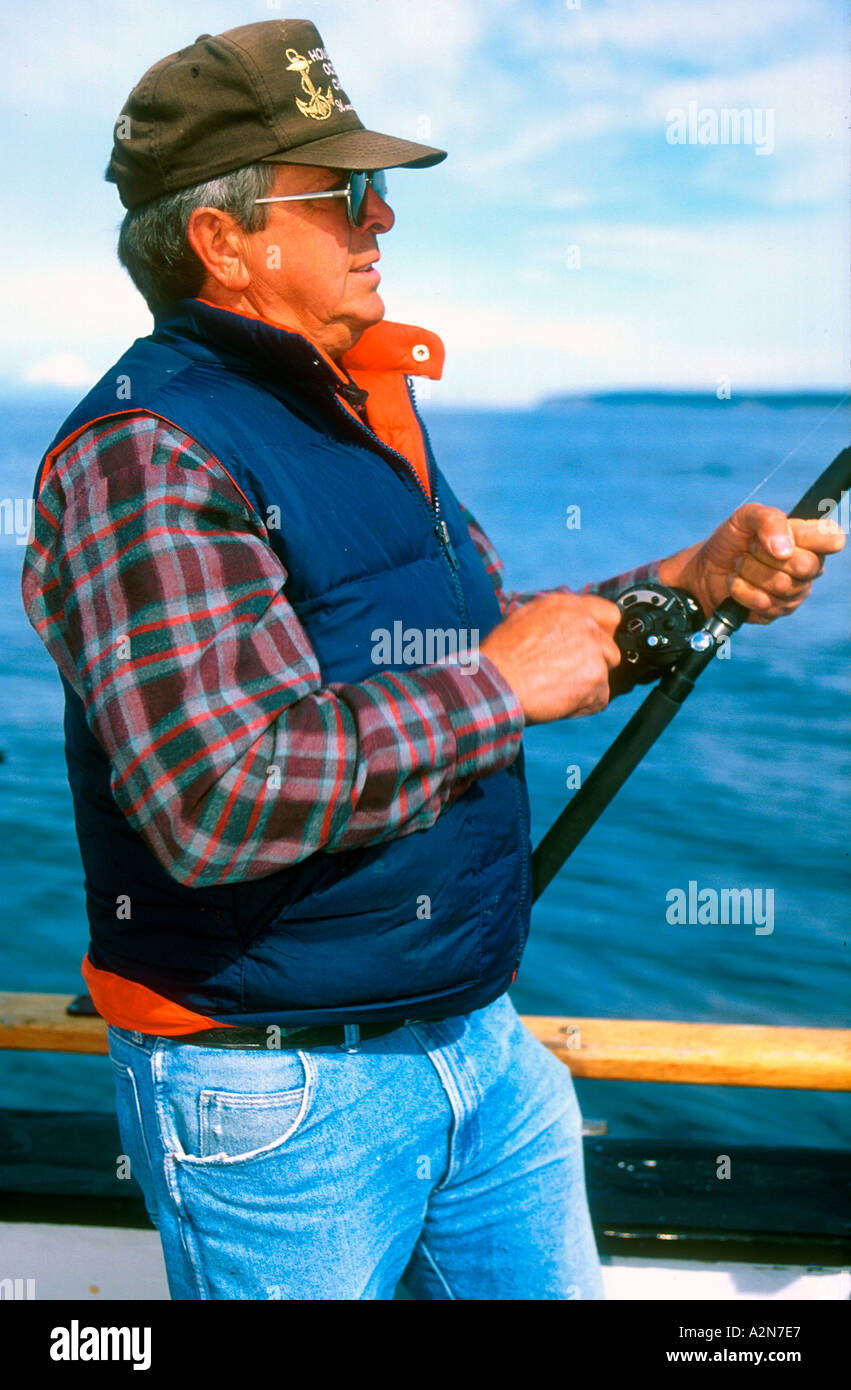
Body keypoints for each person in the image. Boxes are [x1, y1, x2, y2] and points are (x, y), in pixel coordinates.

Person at [21, 20, 843, 1301]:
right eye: (346, 193)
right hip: (279, 1090)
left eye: (378, 191)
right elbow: (211, 793)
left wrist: (685, 583)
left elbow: (483, 651)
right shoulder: (149, 451)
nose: (382, 220)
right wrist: (500, 685)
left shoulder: (349, 403)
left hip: (477, 1042)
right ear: (224, 240)